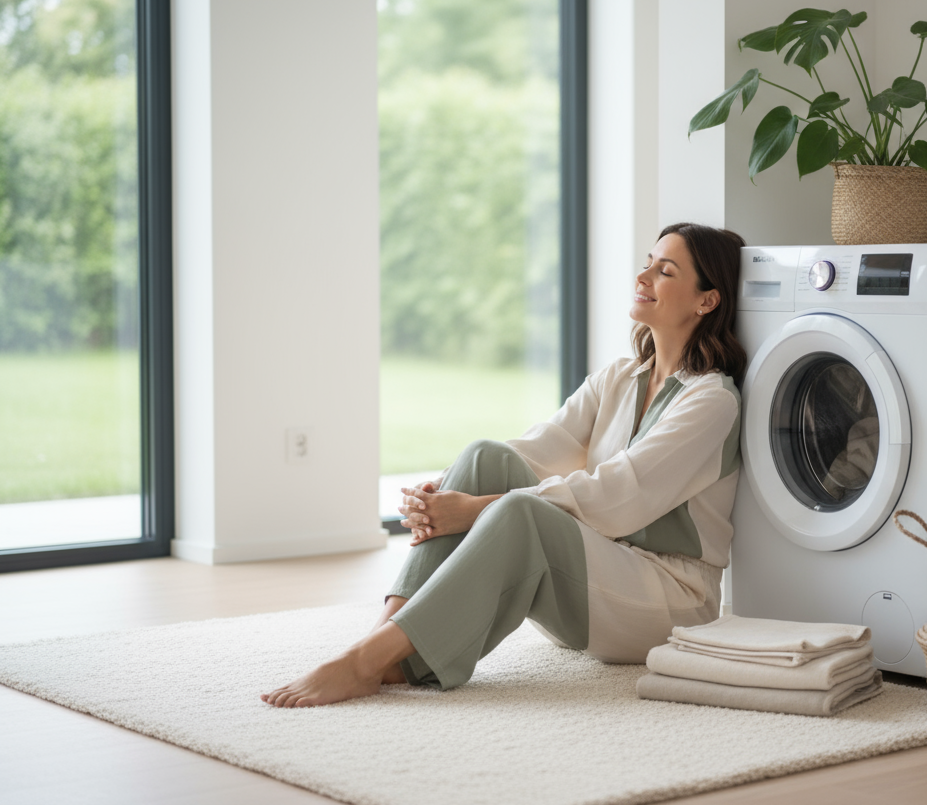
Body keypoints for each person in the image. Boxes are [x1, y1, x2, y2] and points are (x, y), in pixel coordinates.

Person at [261, 223, 747, 707]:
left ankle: (365, 664)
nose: (643, 277)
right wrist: (449, 491)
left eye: (665, 271)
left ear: (706, 301)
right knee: (483, 455)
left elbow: (619, 498)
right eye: (647, 262)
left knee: (520, 513)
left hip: (668, 602)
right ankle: (378, 641)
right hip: (594, 577)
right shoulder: (620, 377)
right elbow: (538, 449)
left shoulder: (712, 401)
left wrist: (473, 510)